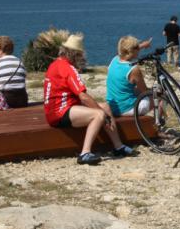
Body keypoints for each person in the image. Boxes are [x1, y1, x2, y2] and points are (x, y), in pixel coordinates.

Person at [44, 34, 138, 165]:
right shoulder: (68, 68)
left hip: (57, 108)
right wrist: (101, 113)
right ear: (74, 54)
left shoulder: (56, 64)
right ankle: (85, 153)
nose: (81, 58)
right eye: (79, 55)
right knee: (98, 114)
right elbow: (83, 96)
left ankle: (118, 146)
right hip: (60, 113)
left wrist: (102, 109)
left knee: (105, 106)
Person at [106, 36, 152, 117]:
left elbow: (127, 50)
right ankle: (158, 125)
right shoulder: (133, 69)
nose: (138, 50)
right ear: (132, 51)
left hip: (112, 106)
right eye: (137, 48)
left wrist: (142, 45)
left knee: (134, 90)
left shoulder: (114, 60)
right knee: (158, 97)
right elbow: (144, 91)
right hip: (126, 109)